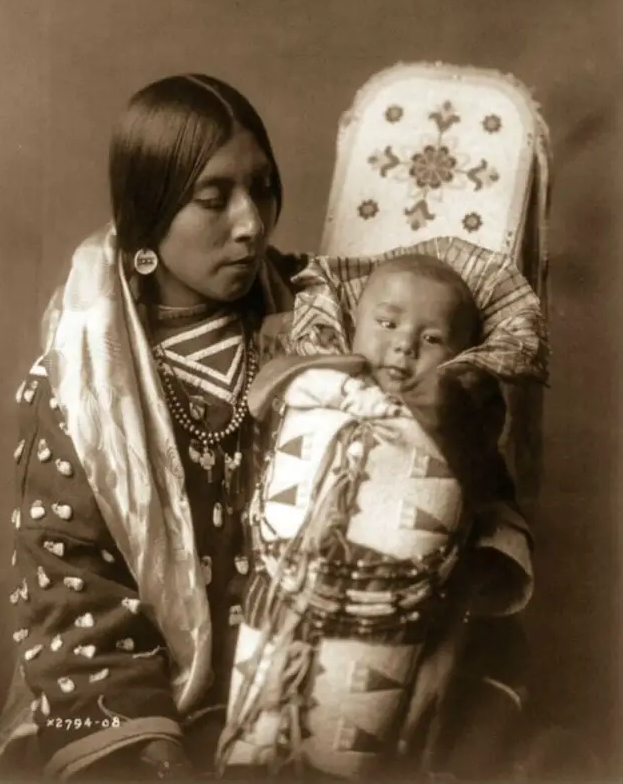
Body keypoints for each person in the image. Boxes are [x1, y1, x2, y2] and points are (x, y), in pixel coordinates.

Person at [0, 74, 549, 783]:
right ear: (147, 212)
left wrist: (441, 626)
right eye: (214, 199)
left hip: (338, 666)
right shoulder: (77, 383)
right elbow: (73, 592)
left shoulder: (334, 315)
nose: (252, 222)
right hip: (150, 698)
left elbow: (459, 477)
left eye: (264, 187)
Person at [216, 254, 534, 780]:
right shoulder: (313, 390)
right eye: (387, 324)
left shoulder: (460, 435)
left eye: (432, 338)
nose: (404, 344)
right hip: (279, 602)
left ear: (462, 355)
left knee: (348, 747)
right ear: (352, 322)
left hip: (387, 625)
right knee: (254, 737)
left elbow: (490, 518)